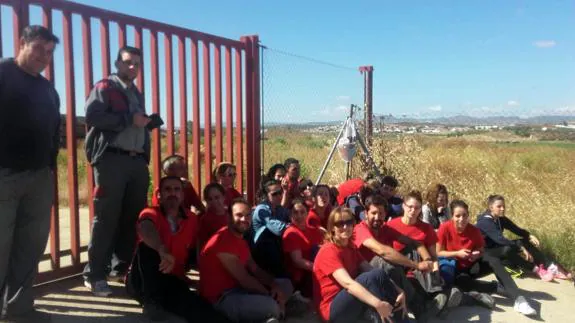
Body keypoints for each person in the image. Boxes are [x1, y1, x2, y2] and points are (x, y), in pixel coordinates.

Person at [83, 46, 162, 296]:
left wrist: (146, 124)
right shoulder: (105, 87)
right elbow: (93, 116)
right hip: (112, 160)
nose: (133, 68)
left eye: (137, 64)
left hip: (136, 161)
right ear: (117, 63)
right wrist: (130, 120)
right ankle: (94, 274)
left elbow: (132, 125)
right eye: (128, 63)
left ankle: (120, 269)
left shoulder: (135, 92)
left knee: (131, 218)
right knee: (106, 218)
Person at [0, 25, 60, 321]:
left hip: (38, 177)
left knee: (30, 246)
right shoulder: (3, 74)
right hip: (4, 175)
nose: (44, 57)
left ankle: (19, 309)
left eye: (49, 52)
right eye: (38, 48)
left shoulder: (47, 88)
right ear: (22, 43)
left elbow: (54, 132)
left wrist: (48, 168)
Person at [125, 176, 229, 322]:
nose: (172, 193)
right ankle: (152, 304)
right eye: (167, 189)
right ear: (159, 195)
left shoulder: (192, 219)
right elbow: (145, 227)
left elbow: (198, 250)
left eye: (177, 189)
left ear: (182, 195)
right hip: (142, 280)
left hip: (172, 278)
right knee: (145, 247)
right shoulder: (150, 212)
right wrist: (162, 249)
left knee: (199, 307)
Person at [438, 199, 537, 316]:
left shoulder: (474, 231)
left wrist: (476, 254)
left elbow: (481, 250)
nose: (461, 219)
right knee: (462, 284)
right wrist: (457, 253)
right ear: (452, 216)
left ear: (468, 215)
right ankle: (495, 287)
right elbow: (438, 253)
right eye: (457, 216)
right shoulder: (445, 228)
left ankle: (519, 300)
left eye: (465, 215)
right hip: (456, 269)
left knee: (493, 260)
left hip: (472, 265)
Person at [199, 199, 291, 323]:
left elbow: (255, 269)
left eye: (248, 215)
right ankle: (277, 311)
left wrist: (274, 286)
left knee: (285, 284)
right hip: (222, 299)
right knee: (271, 305)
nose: (244, 219)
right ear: (229, 216)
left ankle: (275, 312)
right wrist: (272, 296)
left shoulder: (241, 240)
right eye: (239, 215)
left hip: (240, 291)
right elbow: (245, 279)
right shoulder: (221, 241)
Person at [313, 207, 409, 323]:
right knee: (369, 278)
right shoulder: (328, 251)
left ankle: (401, 319)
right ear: (332, 228)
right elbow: (348, 284)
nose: (345, 227)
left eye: (349, 222)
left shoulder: (350, 247)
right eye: (340, 224)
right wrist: (377, 304)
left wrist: (399, 291)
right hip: (332, 309)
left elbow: (373, 271)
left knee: (377, 273)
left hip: (351, 301)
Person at [352, 195, 436, 322]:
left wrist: (428, 260)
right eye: (373, 213)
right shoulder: (360, 229)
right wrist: (417, 265)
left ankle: (431, 293)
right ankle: (418, 305)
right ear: (365, 213)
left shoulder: (384, 228)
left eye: (381, 213)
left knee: (405, 254)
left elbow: (414, 242)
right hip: (363, 275)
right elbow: (382, 251)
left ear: (385, 214)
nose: (377, 217)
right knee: (385, 261)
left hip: (384, 273)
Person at [386, 191, 456, 318]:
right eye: (410, 207)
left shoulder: (426, 228)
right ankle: (442, 301)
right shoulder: (391, 225)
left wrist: (435, 274)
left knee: (426, 288)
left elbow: (433, 256)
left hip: (421, 270)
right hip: (401, 269)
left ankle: (441, 300)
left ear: (420, 209)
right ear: (403, 206)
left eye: (417, 208)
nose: (413, 211)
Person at [476, 195, 555, 281]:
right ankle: (536, 269)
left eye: (503, 206)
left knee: (523, 241)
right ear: (491, 207)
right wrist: (520, 248)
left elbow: (515, 229)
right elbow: (500, 240)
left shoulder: (499, 218)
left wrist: (528, 235)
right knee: (507, 249)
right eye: (499, 206)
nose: (502, 209)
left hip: (497, 247)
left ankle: (549, 267)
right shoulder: (485, 222)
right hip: (485, 253)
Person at [282, 199, 323, 298]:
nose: (299, 216)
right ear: (290, 215)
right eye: (295, 213)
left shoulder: (314, 230)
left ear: (307, 213)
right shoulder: (291, 233)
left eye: (302, 212)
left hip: (313, 271)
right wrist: (321, 269)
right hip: (301, 278)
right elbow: (298, 261)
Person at [251, 180, 291, 277]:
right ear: (266, 196)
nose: (279, 196)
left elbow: (291, 217)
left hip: (276, 248)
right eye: (274, 194)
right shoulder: (262, 210)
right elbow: (278, 229)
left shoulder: (278, 208)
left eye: (280, 192)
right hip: (261, 251)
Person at [198, 183, 228, 249]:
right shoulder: (206, 219)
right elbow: (201, 243)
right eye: (210, 199)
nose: (214, 201)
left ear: (223, 197)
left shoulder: (231, 214)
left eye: (217, 197)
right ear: (206, 201)